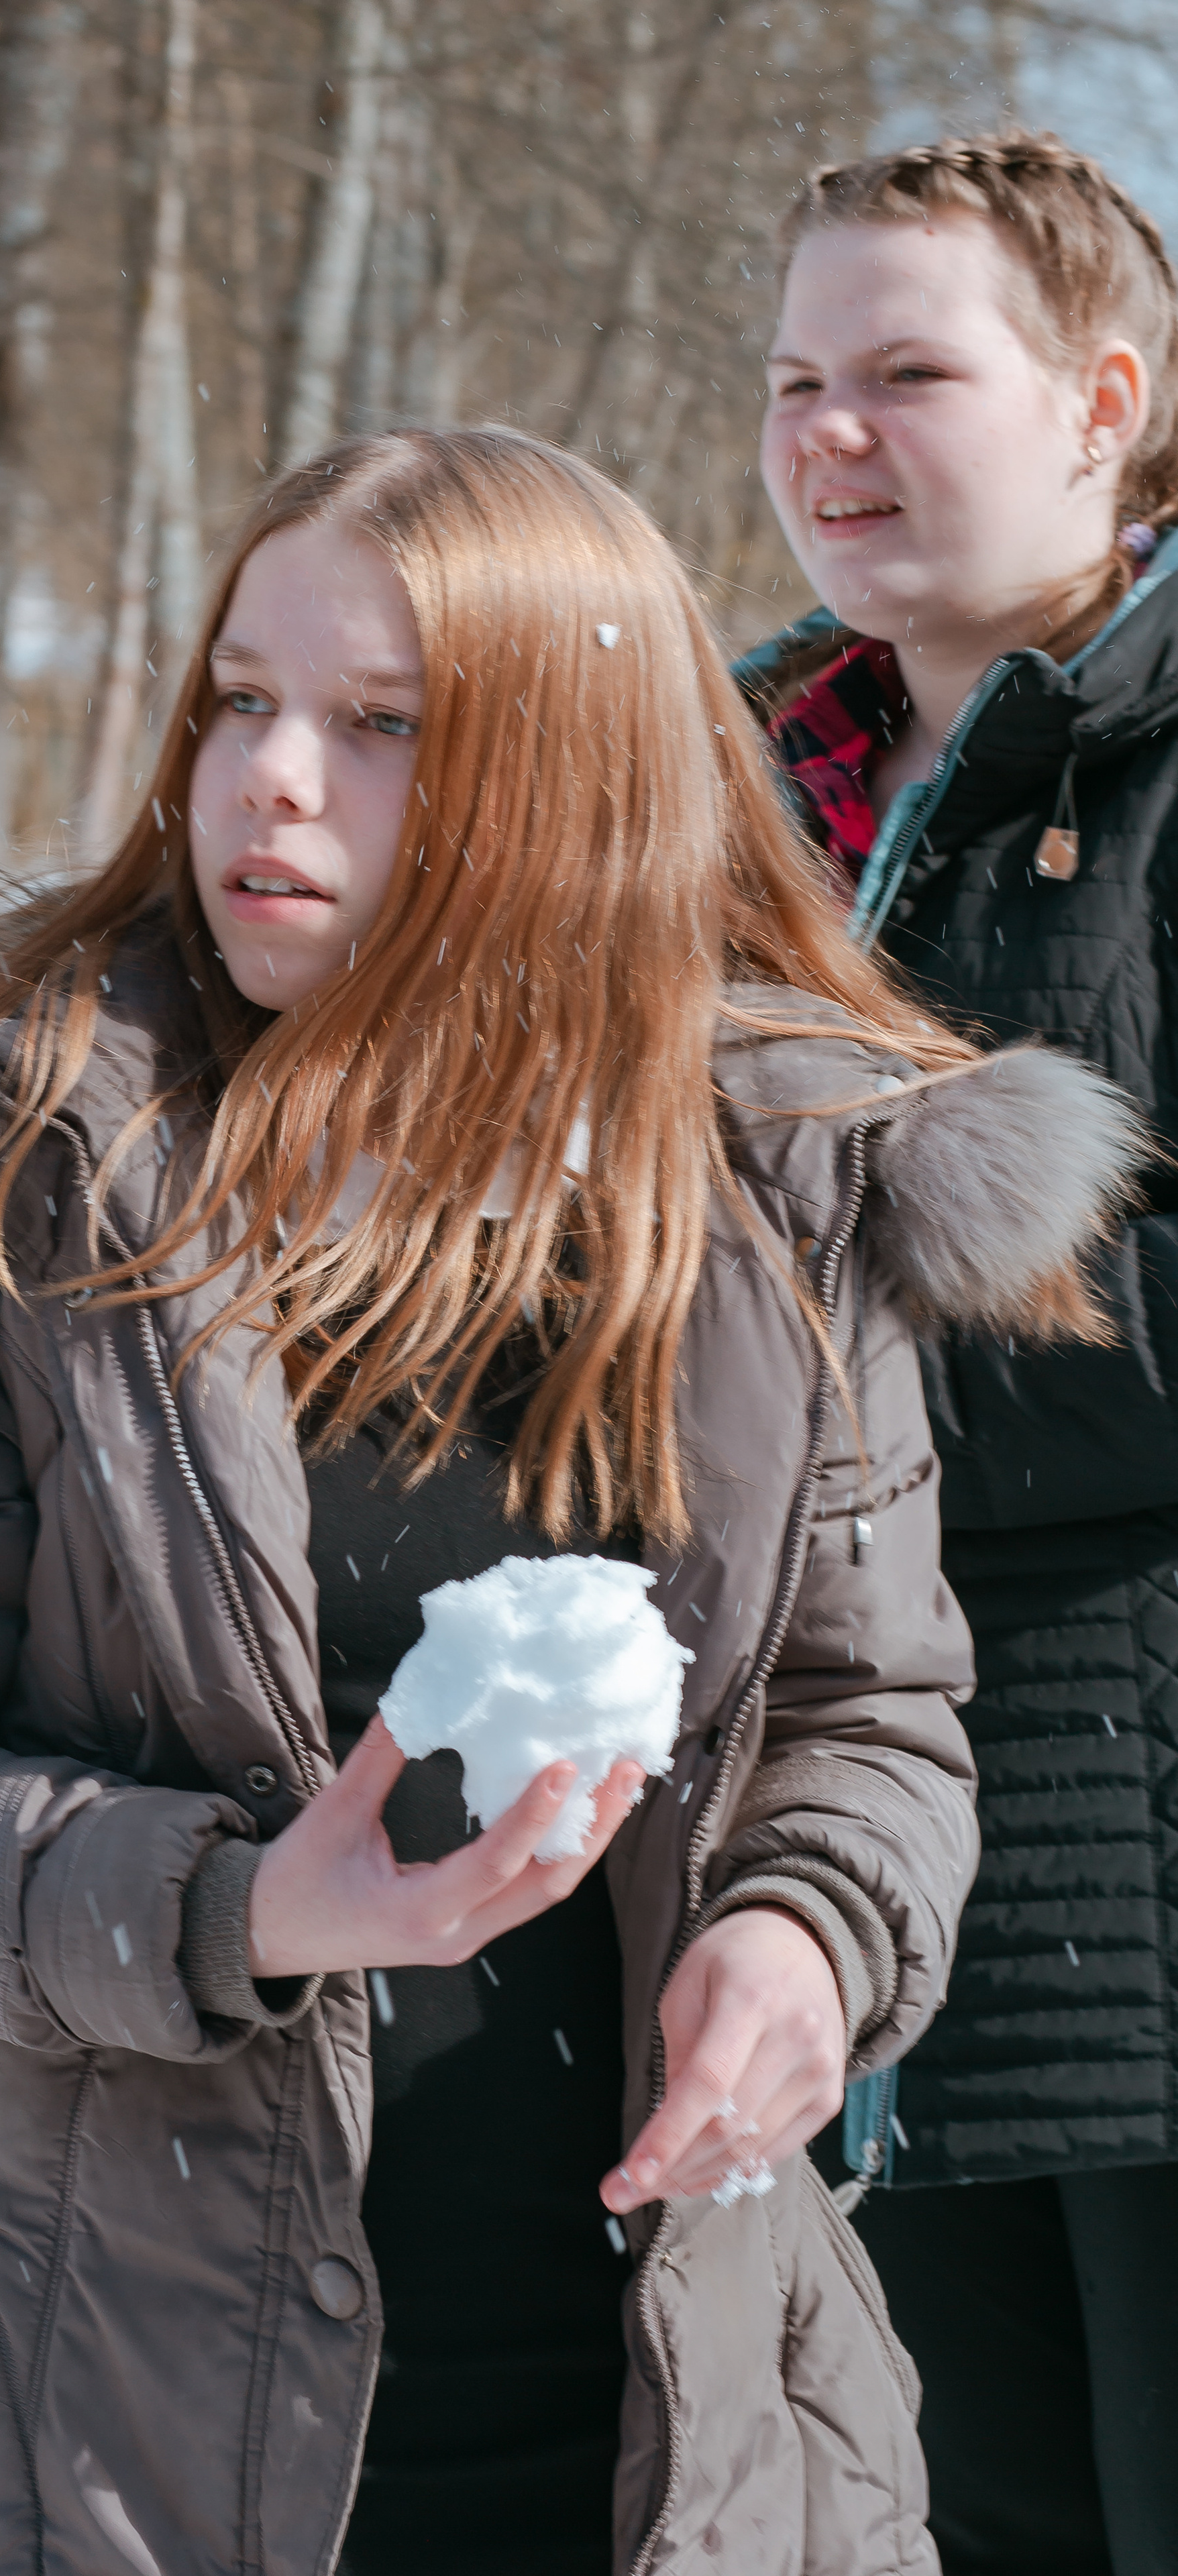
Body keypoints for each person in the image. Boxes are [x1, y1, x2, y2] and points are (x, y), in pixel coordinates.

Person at [0, 427, 1131, 2576]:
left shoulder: (782, 1199)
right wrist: (237, 1908)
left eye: (384, 730)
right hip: (111, 2452)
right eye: (240, 704)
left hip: (694, 2455)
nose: (269, 780)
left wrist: (807, 1933)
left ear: (572, 780)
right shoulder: (17, 1192)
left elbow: (867, 1714)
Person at [746, 130, 1178, 2576]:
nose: (831, 435)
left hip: (1137, 1833)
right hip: (843, 1839)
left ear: (1105, 400)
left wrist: (814, 1348)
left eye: (911, 370)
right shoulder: (733, 794)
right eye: (798, 378)